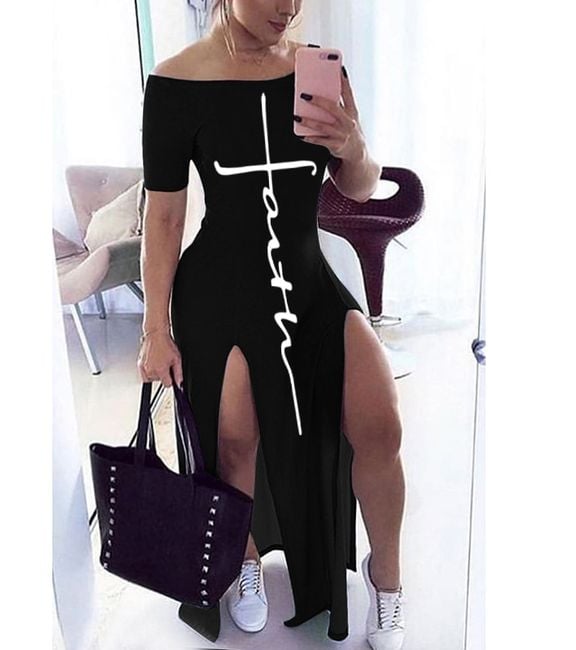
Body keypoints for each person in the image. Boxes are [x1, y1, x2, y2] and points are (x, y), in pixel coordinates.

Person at [137, 1, 406, 648]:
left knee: (381, 426)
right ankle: (245, 562)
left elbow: (360, 186)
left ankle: (387, 581)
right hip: (219, 290)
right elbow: (164, 215)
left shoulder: (316, 70)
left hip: (309, 281)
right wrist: (154, 328)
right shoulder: (174, 83)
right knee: (235, 443)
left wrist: (353, 147)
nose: (288, 7)